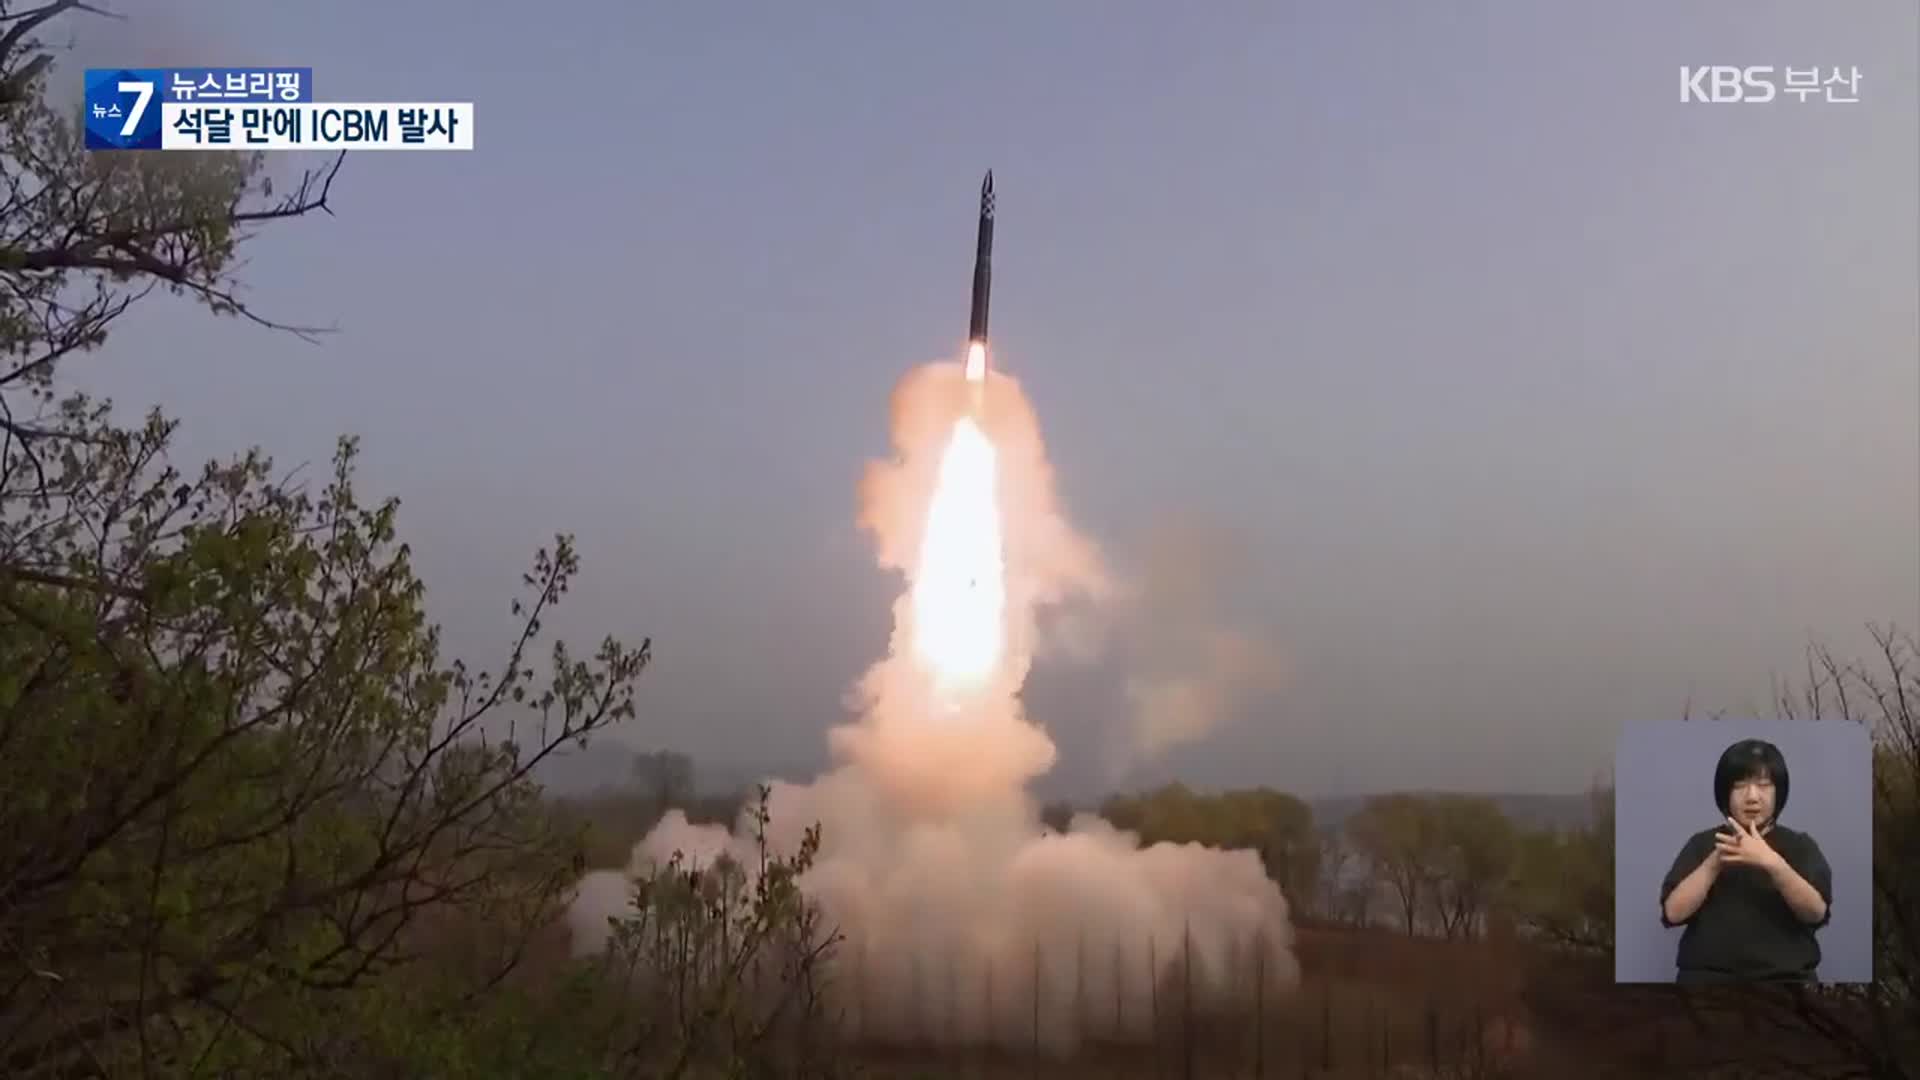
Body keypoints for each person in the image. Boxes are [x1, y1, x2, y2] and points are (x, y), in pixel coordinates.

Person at [1658, 738, 1833, 983]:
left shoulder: (1800, 846)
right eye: (1740, 786)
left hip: (1787, 983)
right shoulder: (1702, 843)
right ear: (1725, 794)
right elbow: (1673, 913)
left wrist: (1771, 862)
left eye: (1763, 785)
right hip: (1705, 982)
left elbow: (1815, 913)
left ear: (1778, 792)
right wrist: (1715, 861)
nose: (1752, 797)